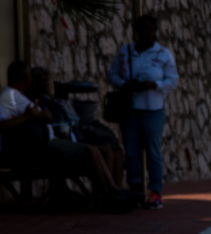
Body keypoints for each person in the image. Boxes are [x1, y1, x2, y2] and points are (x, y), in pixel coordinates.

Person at [109, 14, 178, 209]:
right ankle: (135, 188)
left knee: (153, 151)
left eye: (150, 29)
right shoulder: (126, 52)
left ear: (155, 31)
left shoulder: (163, 55)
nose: (146, 33)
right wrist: (126, 84)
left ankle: (155, 191)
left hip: (153, 109)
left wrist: (153, 85)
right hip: (130, 109)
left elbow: (172, 81)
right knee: (131, 152)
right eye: (143, 29)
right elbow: (112, 74)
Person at [30, 67, 126, 195]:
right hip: (66, 141)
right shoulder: (41, 103)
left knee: (117, 151)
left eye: (47, 80)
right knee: (100, 151)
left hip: (78, 135)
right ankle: (108, 192)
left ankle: (116, 191)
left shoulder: (58, 100)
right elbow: (59, 127)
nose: (46, 83)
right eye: (41, 81)